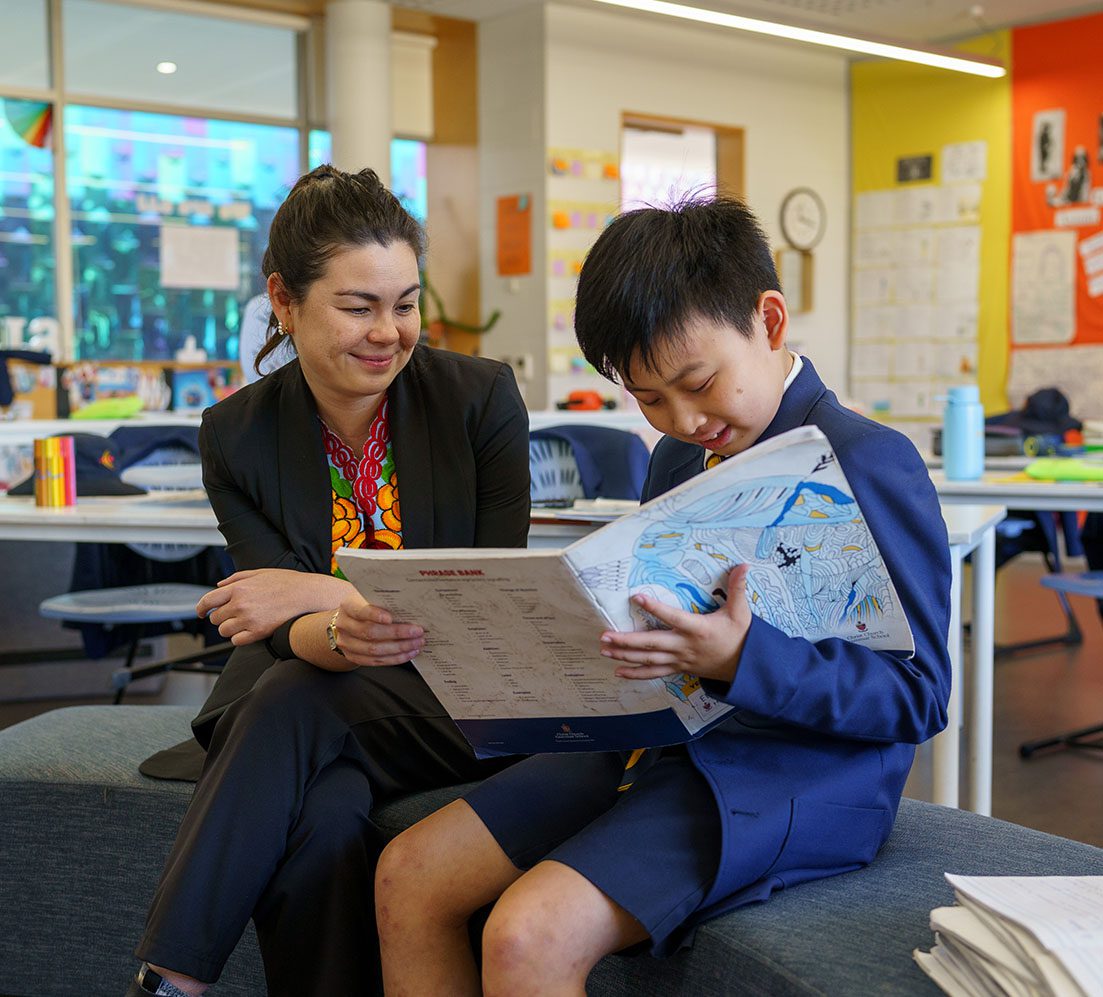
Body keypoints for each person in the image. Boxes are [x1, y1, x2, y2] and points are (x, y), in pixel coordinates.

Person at [375, 196, 953, 995]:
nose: (682, 418)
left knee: (526, 934)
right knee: (407, 873)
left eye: (698, 382)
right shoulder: (677, 457)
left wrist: (741, 657)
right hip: (650, 739)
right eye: (649, 399)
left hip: (787, 770)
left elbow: (919, 696)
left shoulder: (867, 460)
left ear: (769, 321)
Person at [125, 164, 530, 997]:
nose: (388, 331)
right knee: (324, 811)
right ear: (284, 299)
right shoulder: (235, 435)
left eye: (404, 304)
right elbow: (276, 624)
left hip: (464, 695)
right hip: (316, 676)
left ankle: (167, 980)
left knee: (290, 702)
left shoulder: (478, 400)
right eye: (358, 306)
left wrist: (326, 591)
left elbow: (487, 604)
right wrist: (333, 618)